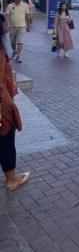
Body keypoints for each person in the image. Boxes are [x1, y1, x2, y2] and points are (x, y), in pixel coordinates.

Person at [0, 21, 30, 190]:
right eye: (4, 24)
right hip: (2, 106)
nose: (7, 27)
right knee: (6, 141)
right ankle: (12, 179)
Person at [5, 0, 31, 64]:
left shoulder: (25, 5)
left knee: (20, 42)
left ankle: (18, 56)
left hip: (22, 27)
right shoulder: (10, 6)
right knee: (12, 42)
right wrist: (6, 26)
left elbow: (27, 16)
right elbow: (6, 16)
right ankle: (14, 51)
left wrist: (29, 25)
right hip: (12, 27)